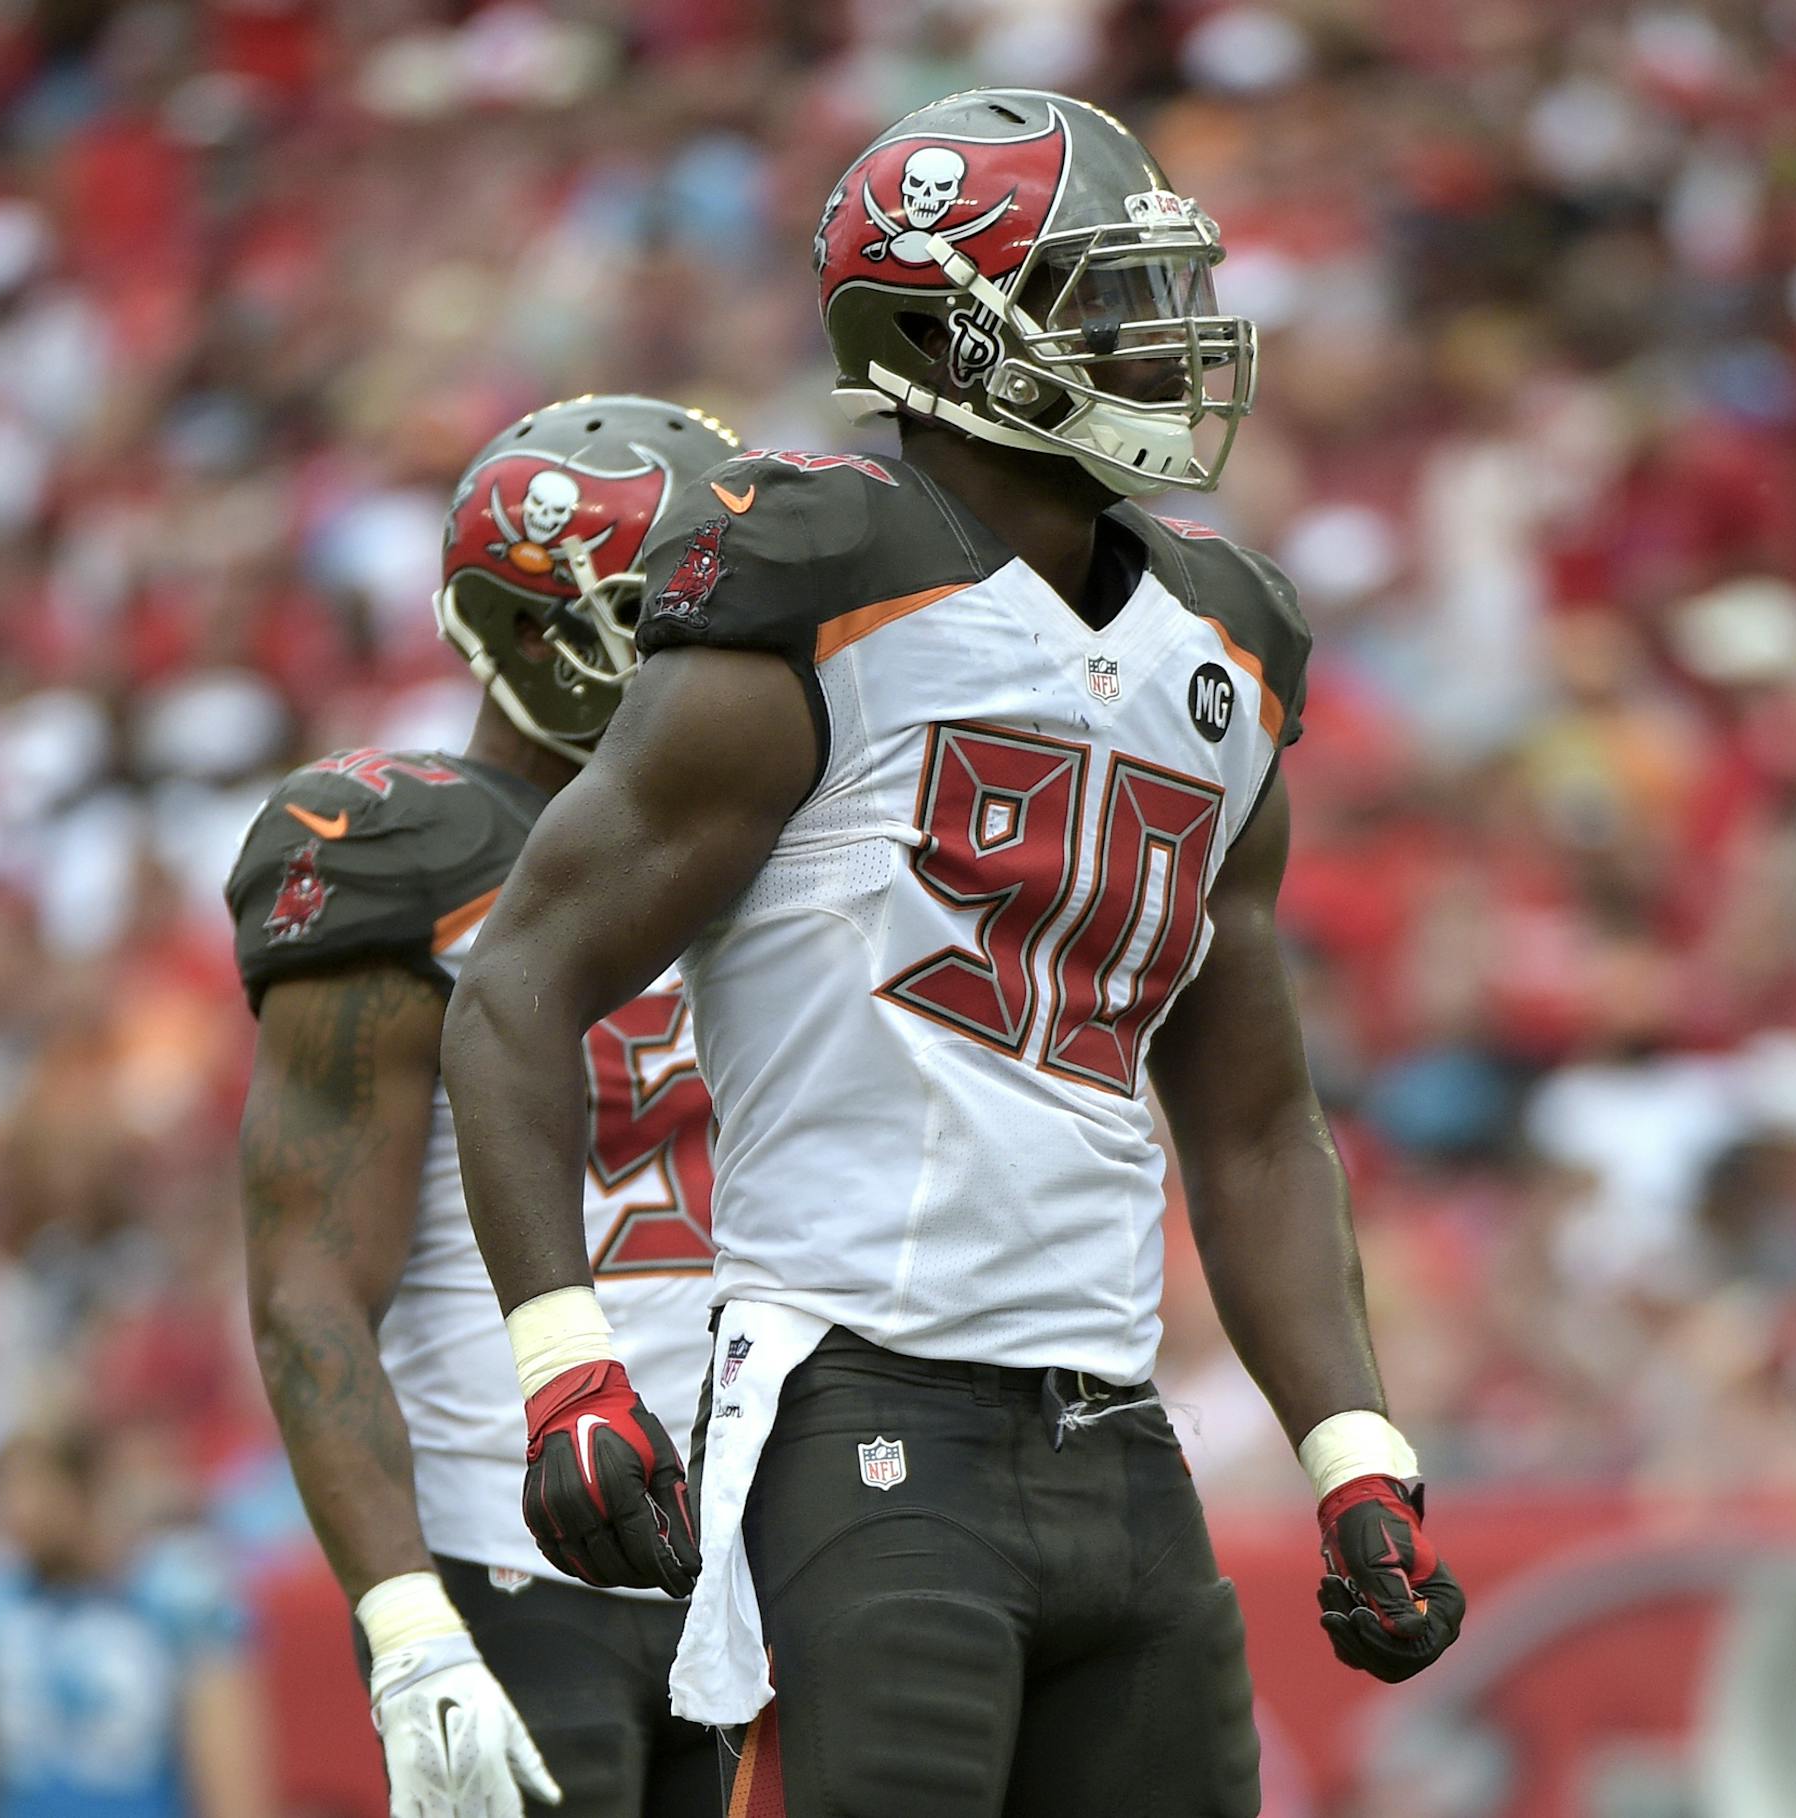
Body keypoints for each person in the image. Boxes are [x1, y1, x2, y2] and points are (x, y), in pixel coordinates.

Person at [442, 91, 1465, 1818]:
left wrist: (1351, 1445)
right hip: (857, 1401)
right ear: (943, 331)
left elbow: (1251, 1116)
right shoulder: (823, 585)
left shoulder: (1224, 640)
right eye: (1101, 297)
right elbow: (520, 980)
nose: (1160, 336)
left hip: (1115, 1426)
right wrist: (567, 1363)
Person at [228, 396, 741, 1818]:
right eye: (664, 608)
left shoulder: (759, 840)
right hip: (508, 1561)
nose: (715, 642)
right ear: (530, 633)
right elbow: (311, 1283)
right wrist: (405, 1623)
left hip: (749, 1571)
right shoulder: (409, 847)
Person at [0, 1425, 267, 1818]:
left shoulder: (177, 1596)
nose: (16, 1511)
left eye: (33, 1490)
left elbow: (228, 1769)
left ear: (85, 1489)